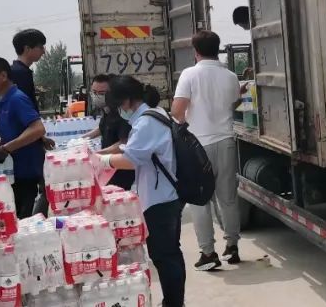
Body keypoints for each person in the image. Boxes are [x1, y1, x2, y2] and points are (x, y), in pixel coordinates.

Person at [97, 76, 185, 307]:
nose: (118, 111)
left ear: (126, 101)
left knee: (165, 256)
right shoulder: (155, 114)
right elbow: (134, 148)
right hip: (165, 194)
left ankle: (174, 303)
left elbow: (131, 159)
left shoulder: (147, 123)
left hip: (160, 199)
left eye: (118, 105)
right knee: (170, 253)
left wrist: (103, 161)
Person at [171, 30, 244, 271]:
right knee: (228, 198)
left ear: (196, 51)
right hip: (226, 141)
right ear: (217, 49)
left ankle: (208, 253)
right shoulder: (231, 76)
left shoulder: (190, 74)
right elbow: (234, 102)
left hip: (198, 146)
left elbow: (177, 111)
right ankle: (232, 246)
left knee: (199, 199)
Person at [0, 57, 48, 219]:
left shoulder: (17, 99)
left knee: (24, 220)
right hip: (12, 173)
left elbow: (38, 128)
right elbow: (16, 130)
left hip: (25, 173)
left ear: (3, 76)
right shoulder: (2, 102)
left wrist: (6, 149)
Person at [83, 74, 135, 190]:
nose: (97, 96)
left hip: (119, 168)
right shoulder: (107, 110)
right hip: (107, 166)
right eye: (94, 92)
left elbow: (125, 142)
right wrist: (81, 139)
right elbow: (102, 128)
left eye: (101, 93)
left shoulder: (122, 113)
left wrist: (99, 154)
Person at [10, 29, 46, 111]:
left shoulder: (17, 70)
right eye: (41, 47)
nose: (43, 51)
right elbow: (25, 108)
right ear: (27, 49)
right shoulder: (20, 73)